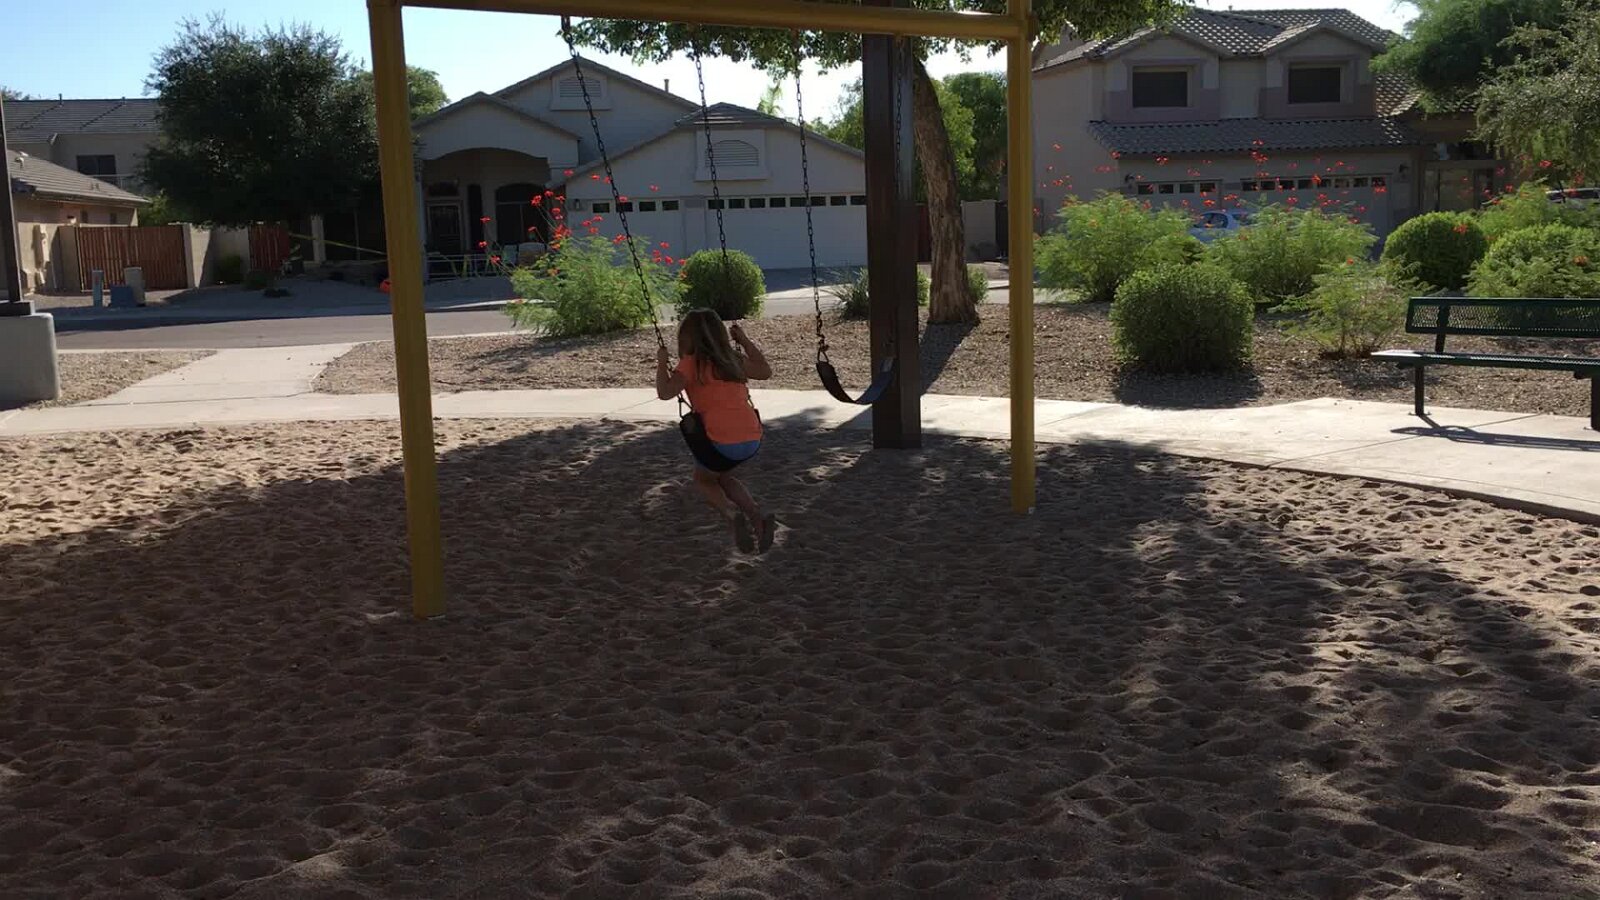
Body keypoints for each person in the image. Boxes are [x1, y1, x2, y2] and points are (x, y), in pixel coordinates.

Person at [657, 310, 775, 552]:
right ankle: (756, 517)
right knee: (723, 476)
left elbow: (665, 393)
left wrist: (661, 362)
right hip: (752, 438)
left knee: (703, 479)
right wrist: (744, 340)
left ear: (686, 338)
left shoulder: (690, 364)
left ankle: (731, 514)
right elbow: (765, 371)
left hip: (720, 442)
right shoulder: (731, 359)